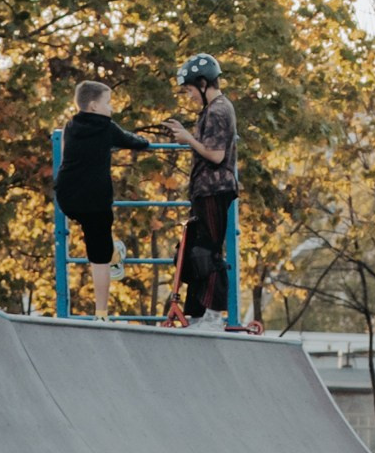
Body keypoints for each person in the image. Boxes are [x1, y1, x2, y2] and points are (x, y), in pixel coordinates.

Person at [52, 80, 175, 318]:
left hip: (67, 196)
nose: (112, 109)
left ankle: (112, 251)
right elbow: (135, 142)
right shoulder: (106, 127)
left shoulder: (69, 126)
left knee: (93, 233)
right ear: (95, 106)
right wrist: (146, 142)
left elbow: (67, 153)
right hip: (96, 199)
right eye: (109, 103)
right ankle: (101, 311)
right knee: (99, 256)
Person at [164, 52, 240, 330]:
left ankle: (213, 315)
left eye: (190, 90)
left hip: (214, 189)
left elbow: (217, 155)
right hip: (204, 190)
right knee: (190, 251)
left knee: (206, 252)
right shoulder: (212, 109)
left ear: (203, 83)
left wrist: (187, 138)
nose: (190, 96)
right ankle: (196, 313)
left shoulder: (220, 110)